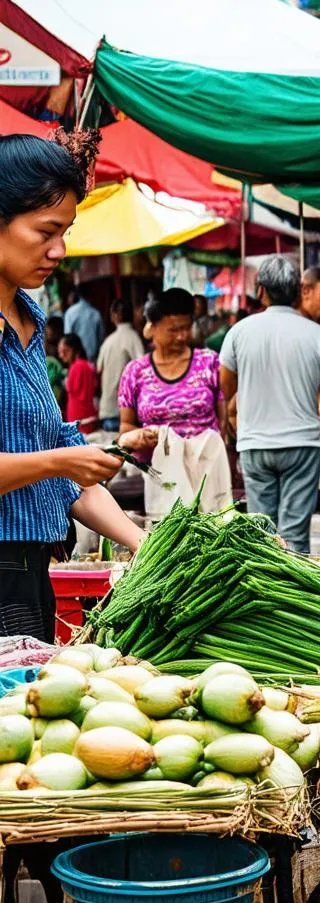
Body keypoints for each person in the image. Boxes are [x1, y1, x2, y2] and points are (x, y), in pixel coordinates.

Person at [0, 132, 144, 641]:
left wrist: (145, 544)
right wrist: (62, 461)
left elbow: (64, 461)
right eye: (45, 231)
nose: (59, 250)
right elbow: (60, 462)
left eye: (65, 231)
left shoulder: (29, 320)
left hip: (31, 573)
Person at [219, 255, 320, 553]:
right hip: (302, 445)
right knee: (295, 534)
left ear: (260, 291)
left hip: (255, 444)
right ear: (298, 291)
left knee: (263, 532)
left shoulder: (239, 332)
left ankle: (265, 595)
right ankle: (295, 597)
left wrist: (238, 404)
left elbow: (227, 383)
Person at [117, 288, 224, 452]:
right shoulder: (135, 372)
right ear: (153, 327)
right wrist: (140, 437)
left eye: (186, 328)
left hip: (207, 467)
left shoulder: (210, 363)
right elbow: (126, 426)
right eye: (173, 330)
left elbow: (224, 420)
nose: (182, 336)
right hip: (159, 470)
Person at [96, 298, 144, 432]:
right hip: (125, 413)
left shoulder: (108, 342)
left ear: (115, 315)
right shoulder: (133, 338)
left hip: (107, 408)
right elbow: (143, 368)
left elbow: (99, 369)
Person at [59, 333, 98, 433]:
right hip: (88, 418)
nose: (61, 355)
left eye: (65, 351)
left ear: (74, 349)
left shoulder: (76, 367)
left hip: (81, 422)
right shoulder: (88, 366)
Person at [62, 286, 103, 361]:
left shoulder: (70, 313)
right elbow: (101, 339)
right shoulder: (95, 313)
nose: (68, 301)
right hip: (93, 360)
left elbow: (67, 338)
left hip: (76, 360)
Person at [43, 313, 64, 402]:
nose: (50, 331)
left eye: (53, 328)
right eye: (49, 327)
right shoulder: (42, 346)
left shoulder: (63, 346)